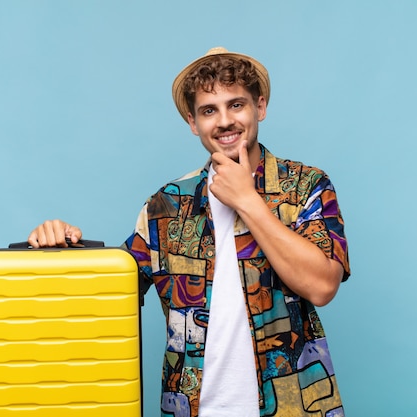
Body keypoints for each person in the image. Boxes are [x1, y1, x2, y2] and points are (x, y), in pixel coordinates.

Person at [28, 47, 351, 417]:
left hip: (292, 406)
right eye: (209, 110)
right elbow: (108, 296)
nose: (225, 121)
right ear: (192, 122)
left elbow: (322, 285)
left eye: (237, 105)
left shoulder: (306, 185)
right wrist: (63, 247)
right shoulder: (165, 206)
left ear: (260, 107)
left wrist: (248, 200)